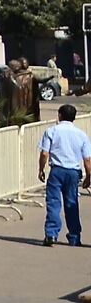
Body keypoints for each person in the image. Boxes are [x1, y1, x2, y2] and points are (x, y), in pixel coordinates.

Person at [38, 103, 91, 248]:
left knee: (54, 202)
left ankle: (51, 233)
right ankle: (74, 237)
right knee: (71, 203)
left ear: (60, 115)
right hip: (73, 172)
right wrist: (88, 175)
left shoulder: (51, 131)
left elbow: (44, 153)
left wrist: (41, 169)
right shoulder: (81, 134)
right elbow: (87, 158)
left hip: (57, 170)